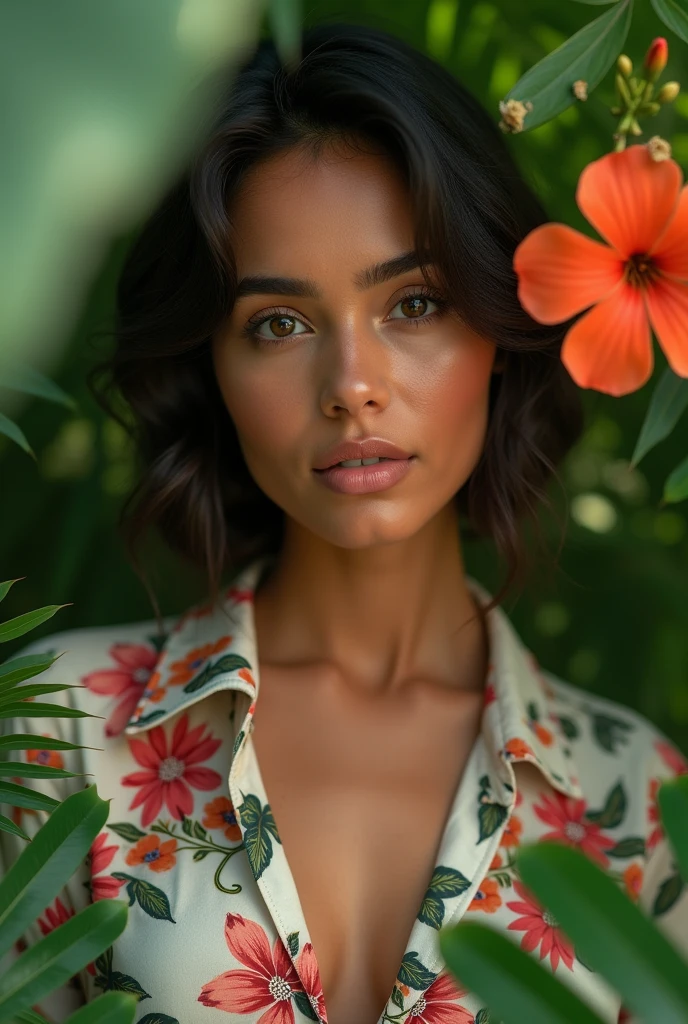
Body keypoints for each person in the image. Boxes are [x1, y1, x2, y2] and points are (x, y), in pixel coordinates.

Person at [1, 22, 687, 1024]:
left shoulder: (641, 805)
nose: (353, 386)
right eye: (279, 323)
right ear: (212, 370)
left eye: (413, 304)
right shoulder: (51, 735)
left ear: (500, 329)